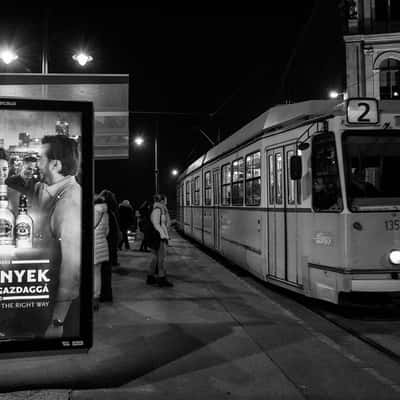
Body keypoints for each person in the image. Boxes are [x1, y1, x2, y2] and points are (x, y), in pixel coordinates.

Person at [33, 135, 81, 338]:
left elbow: (72, 272)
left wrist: (57, 322)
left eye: (40, 158)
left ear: (55, 164)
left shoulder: (70, 202)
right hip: (43, 297)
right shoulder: (47, 190)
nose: (37, 164)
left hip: (58, 312)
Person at [147, 194, 173, 287]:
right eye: (166, 200)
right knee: (162, 259)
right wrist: (163, 235)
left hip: (157, 237)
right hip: (159, 237)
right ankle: (162, 279)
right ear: (161, 201)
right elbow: (156, 224)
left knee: (155, 258)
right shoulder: (158, 210)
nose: (167, 202)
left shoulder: (158, 209)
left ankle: (150, 277)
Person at [93, 194, 109, 311]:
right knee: (97, 273)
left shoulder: (94, 211)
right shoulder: (105, 213)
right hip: (102, 244)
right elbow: (107, 231)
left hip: (93, 245)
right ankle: (96, 297)